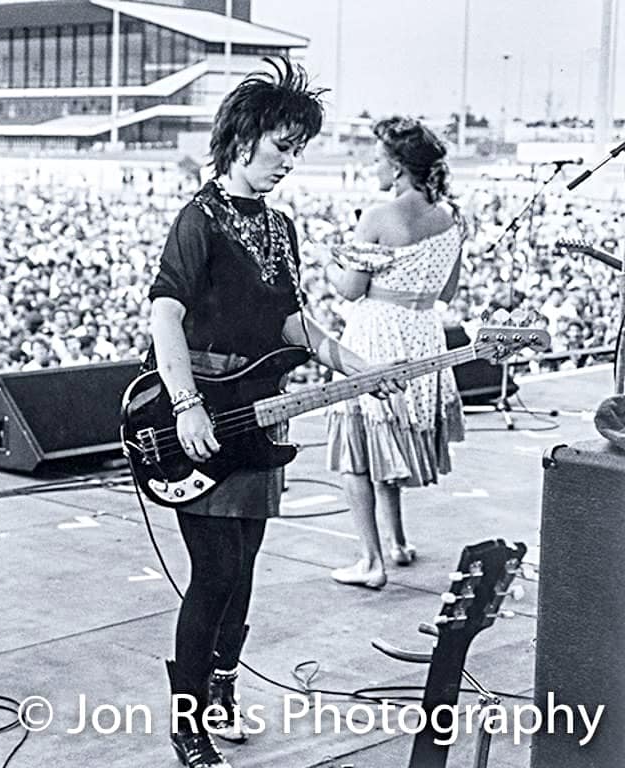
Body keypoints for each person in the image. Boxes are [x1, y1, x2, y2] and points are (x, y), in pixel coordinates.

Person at [147, 58, 401, 768]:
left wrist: (356, 368)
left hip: (261, 412)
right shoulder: (197, 219)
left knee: (247, 561)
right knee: (215, 571)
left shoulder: (280, 226)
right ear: (243, 137)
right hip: (200, 415)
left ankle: (223, 686)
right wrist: (186, 403)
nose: (289, 163)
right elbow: (165, 312)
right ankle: (186, 720)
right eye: (281, 146)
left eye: (298, 149)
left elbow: (295, 324)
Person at [324, 116, 466, 589]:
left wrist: (333, 263)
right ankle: (398, 541)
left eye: (378, 158)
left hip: (377, 334)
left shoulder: (378, 216)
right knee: (388, 444)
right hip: (424, 333)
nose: (372, 166)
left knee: (358, 452)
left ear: (399, 167)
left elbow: (350, 290)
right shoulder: (449, 217)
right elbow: (449, 289)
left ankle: (371, 561)